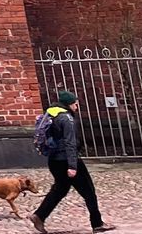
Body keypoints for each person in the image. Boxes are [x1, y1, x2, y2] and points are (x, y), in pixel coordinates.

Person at [32, 90, 116, 232]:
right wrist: (72, 166)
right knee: (89, 191)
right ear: (69, 104)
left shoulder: (51, 113)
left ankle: (39, 215)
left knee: (60, 189)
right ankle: (97, 223)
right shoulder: (66, 118)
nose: (76, 107)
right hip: (67, 160)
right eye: (75, 104)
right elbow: (70, 143)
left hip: (54, 160)